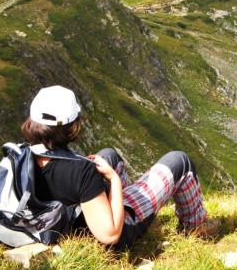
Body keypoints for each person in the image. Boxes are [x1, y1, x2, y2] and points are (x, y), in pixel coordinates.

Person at [21, 85, 220, 248]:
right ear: (72, 126)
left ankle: (130, 201)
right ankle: (195, 226)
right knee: (180, 161)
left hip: (61, 218)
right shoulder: (81, 171)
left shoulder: (20, 156)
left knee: (109, 154)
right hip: (112, 230)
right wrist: (114, 181)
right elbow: (110, 235)